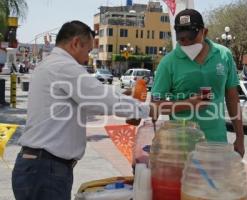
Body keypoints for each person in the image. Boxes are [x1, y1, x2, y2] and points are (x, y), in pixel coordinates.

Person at [12, 21, 149, 200]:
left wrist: (124, 96)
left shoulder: (52, 64)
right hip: (45, 169)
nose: (87, 57)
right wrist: (145, 110)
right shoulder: (63, 66)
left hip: (42, 167)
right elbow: (98, 99)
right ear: (76, 43)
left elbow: (85, 99)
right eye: (88, 51)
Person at [151, 9, 244, 157]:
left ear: (204, 32)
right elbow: (155, 105)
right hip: (181, 149)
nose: (186, 43)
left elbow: (232, 98)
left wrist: (240, 137)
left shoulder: (224, 55)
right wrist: (189, 103)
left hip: (217, 145)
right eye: (182, 39)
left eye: (191, 39)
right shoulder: (168, 63)